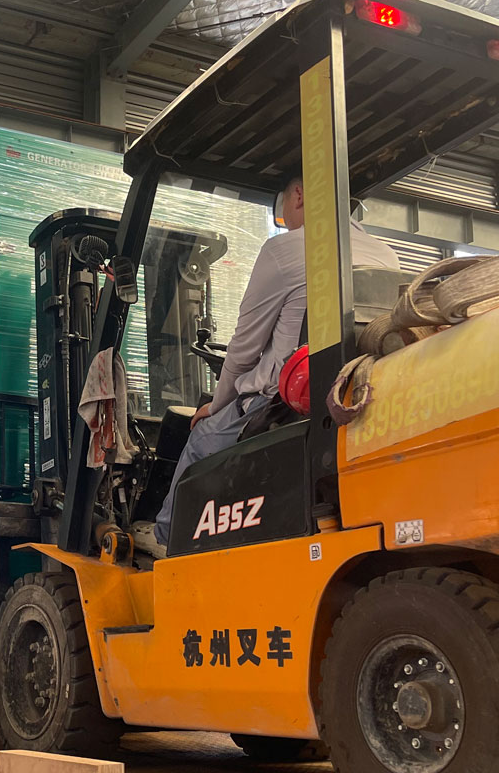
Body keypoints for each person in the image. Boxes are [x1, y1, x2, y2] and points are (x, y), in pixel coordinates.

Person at [153, 172, 400, 547]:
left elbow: (244, 349)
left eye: (283, 207)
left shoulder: (285, 250)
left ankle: (164, 543)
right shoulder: (386, 255)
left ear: (298, 195)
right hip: (360, 390)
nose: (285, 218)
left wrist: (215, 406)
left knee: (201, 438)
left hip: (285, 404)